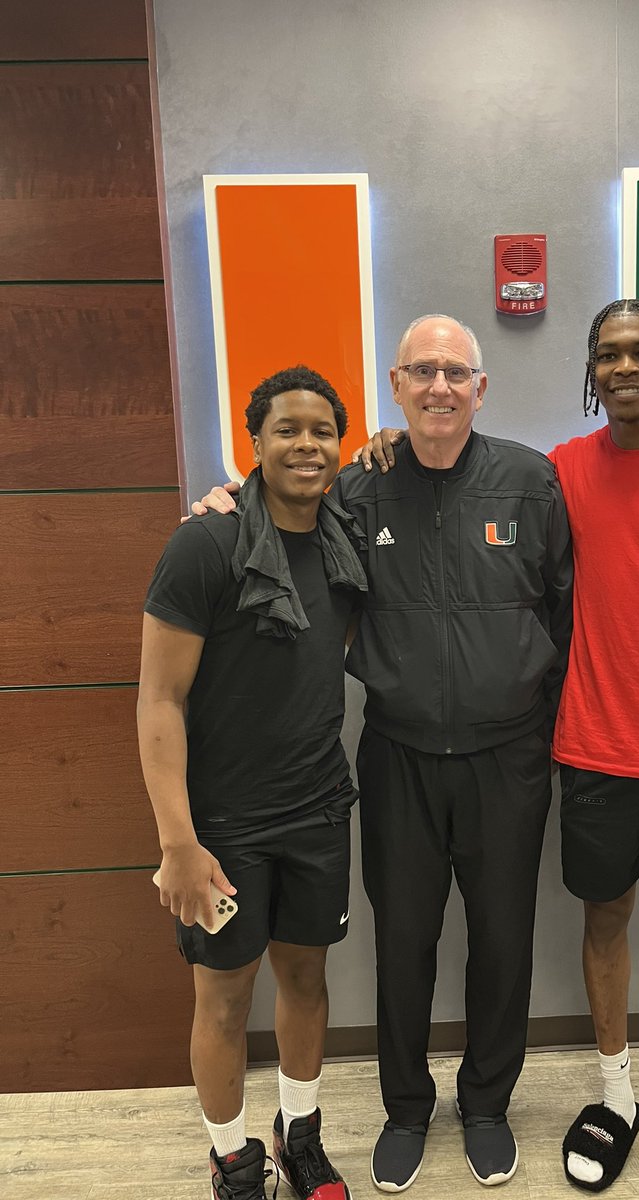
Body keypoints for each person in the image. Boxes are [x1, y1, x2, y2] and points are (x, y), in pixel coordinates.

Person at [358, 299, 639, 1200]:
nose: (623, 367)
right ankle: (553, 1104)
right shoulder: (525, 475)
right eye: (607, 355)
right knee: (541, 932)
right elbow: (314, 496)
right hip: (570, 755)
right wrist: (251, 488)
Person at [196, 314, 574, 1192]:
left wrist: (522, 701)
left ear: (482, 389)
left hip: (507, 759)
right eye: (422, 372)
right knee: (403, 941)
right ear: (395, 388)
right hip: (399, 755)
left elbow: (563, 608)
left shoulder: (531, 483)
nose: (440, 387)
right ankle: (407, 1109)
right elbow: (277, 511)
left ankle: (485, 1105)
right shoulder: (358, 490)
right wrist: (225, 499)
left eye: (457, 372)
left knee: (503, 938)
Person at [137, 365, 366, 1200]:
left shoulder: (343, 532)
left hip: (317, 813)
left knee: (307, 981)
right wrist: (179, 842)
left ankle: (298, 1136)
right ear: (255, 443)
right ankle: (233, 1159)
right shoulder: (206, 542)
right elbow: (158, 700)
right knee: (225, 1001)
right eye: (286, 430)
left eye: (322, 432)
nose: (306, 445)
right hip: (223, 829)